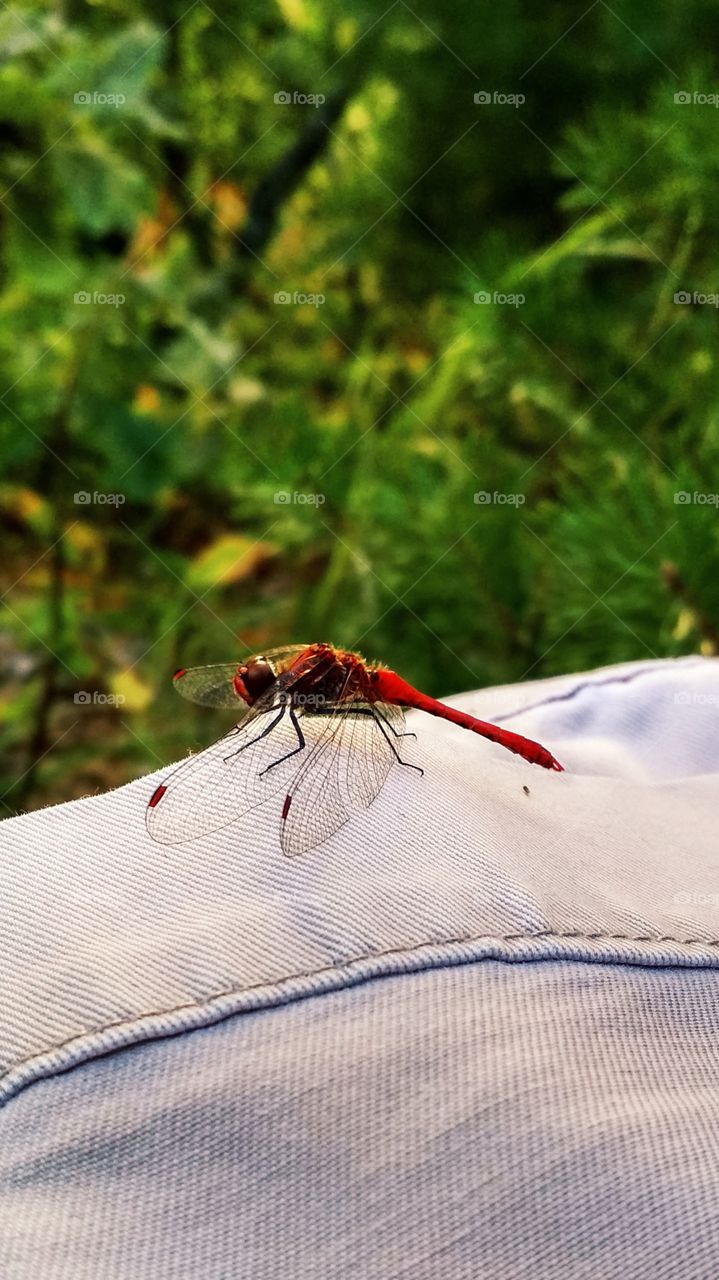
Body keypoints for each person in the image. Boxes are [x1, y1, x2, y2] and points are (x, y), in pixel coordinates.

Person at [1, 655, 718, 1279]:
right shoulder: (296, 682)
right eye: (254, 682)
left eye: (259, 684)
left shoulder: (323, 694)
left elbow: (319, 741)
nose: (253, 689)